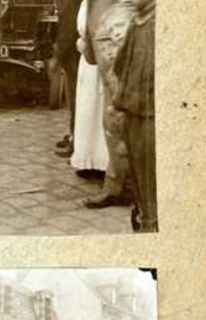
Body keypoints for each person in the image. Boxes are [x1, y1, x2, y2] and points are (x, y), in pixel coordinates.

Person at [84, 0, 137, 209]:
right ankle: (120, 184)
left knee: (119, 116)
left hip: (117, 39)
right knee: (112, 118)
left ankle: (123, 186)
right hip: (105, 37)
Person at [113, 0, 156, 232]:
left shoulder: (160, 25)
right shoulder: (137, 23)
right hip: (132, 116)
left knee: (153, 189)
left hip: (152, 120)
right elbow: (120, 67)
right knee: (141, 188)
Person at [70, 0, 110, 176]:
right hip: (88, 59)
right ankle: (89, 160)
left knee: (101, 108)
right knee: (87, 110)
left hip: (102, 57)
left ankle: (105, 164)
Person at [55, 0, 83, 157]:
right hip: (75, 53)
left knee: (75, 100)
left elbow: (68, 25)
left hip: (73, 55)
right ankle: (74, 135)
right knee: (74, 100)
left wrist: (59, 54)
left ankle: (76, 140)